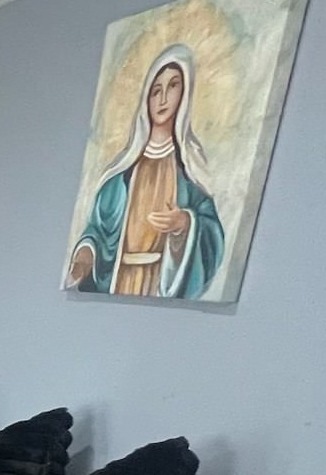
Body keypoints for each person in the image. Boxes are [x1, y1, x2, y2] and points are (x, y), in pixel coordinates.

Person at [67, 45, 225, 297]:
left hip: (159, 284)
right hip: (120, 281)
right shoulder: (120, 177)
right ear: (145, 99)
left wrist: (185, 223)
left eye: (173, 86)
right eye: (155, 91)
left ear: (185, 93)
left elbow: (212, 234)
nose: (162, 99)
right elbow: (96, 231)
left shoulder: (190, 170)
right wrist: (85, 256)